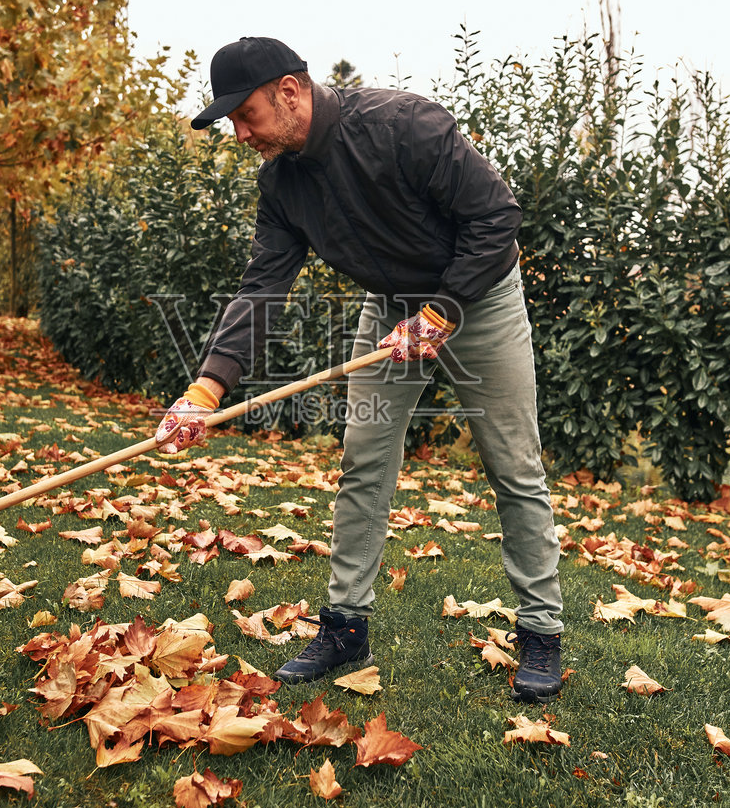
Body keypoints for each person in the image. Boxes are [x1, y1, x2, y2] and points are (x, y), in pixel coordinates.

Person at [154, 37, 564, 703]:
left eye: (246, 114)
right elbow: (260, 290)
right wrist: (205, 390)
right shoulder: (282, 184)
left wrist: (444, 310)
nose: (240, 132)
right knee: (364, 458)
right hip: (392, 310)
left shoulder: (405, 127)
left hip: (479, 297)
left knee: (513, 464)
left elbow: (497, 217)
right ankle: (345, 627)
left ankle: (541, 630)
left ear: (290, 91)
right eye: (230, 120)